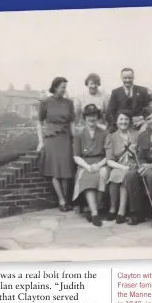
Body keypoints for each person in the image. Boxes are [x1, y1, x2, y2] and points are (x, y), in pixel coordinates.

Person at [37, 76, 75, 211]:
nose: (64, 90)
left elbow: (72, 122)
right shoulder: (46, 102)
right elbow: (39, 122)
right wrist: (41, 142)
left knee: (66, 171)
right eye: (62, 87)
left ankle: (66, 198)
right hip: (51, 138)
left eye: (65, 87)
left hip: (65, 138)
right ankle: (62, 200)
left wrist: (74, 139)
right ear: (55, 87)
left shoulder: (69, 103)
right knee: (55, 172)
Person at [72, 103, 109, 226]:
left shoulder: (104, 133)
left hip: (101, 162)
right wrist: (87, 166)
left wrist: (99, 165)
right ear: (85, 118)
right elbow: (76, 156)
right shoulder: (79, 134)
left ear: (97, 117)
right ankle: (94, 214)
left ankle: (94, 210)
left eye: (94, 115)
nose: (92, 118)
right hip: (85, 164)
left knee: (102, 175)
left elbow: (108, 154)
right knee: (87, 177)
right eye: (89, 116)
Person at [104, 110, 140, 223]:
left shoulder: (137, 135)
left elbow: (142, 154)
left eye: (126, 119)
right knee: (116, 174)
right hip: (119, 165)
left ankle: (121, 210)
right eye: (121, 119)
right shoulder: (111, 137)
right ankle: (113, 208)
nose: (123, 122)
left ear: (130, 121)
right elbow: (109, 160)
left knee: (126, 176)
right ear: (116, 121)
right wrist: (122, 167)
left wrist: (136, 151)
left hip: (134, 165)